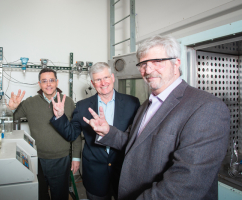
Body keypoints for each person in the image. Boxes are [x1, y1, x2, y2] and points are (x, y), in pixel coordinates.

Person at [83, 35, 230, 200]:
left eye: (157, 61)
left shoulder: (206, 107)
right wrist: (108, 131)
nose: (149, 69)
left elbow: (185, 185)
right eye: (144, 64)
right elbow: (132, 144)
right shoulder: (147, 105)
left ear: (176, 64)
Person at [50, 62, 140, 200]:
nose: (103, 83)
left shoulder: (132, 103)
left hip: (123, 172)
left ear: (113, 77)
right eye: (98, 80)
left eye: (106, 78)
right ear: (92, 83)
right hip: (95, 175)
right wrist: (60, 116)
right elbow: (71, 134)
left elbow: (136, 138)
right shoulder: (82, 106)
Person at [8, 68, 82, 200]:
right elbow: (11, 119)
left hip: (61, 159)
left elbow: (75, 131)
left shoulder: (68, 102)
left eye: (51, 80)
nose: (48, 84)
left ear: (57, 82)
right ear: (39, 84)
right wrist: (10, 109)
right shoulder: (29, 103)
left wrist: (76, 157)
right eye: (44, 81)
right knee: (40, 194)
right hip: (37, 159)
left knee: (60, 196)